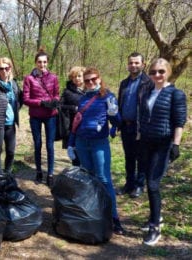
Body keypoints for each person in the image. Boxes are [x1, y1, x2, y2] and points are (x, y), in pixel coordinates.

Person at [68, 67, 125, 235]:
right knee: (90, 179)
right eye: (87, 80)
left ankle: (114, 218)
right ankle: (96, 214)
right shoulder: (83, 98)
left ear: (99, 79)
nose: (91, 82)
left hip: (99, 143)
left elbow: (117, 122)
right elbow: (76, 123)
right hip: (82, 143)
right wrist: (71, 144)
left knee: (104, 179)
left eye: (93, 79)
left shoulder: (108, 96)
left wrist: (114, 114)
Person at [138, 58, 186, 246]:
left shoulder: (176, 94)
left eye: (161, 71)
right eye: (153, 72)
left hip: (163, 144)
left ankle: (155, 227)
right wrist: (140, 135)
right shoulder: (148, 92)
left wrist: (176, 144)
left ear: (168, 72)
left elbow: (179, 121)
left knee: (153, 184)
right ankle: (155, 217)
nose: (156, 75)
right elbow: (143, 116)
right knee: (148, 181)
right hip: (147, 143)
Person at [116, 52, 154, 198]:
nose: (133, 65)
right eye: (131, 63)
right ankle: (129, 184)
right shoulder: (124, 83)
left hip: (141, 127)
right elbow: (120, 104)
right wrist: (117, 124)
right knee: (129, 157)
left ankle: (139, 186)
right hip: (126, 126)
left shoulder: (148, 83)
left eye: (137, 63)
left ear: (143, 64)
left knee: (141, 157)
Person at [23, 48, 60, 186]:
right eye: (39, 62)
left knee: (50, 145)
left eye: (44, 62)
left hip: (51, 115)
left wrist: (54, 101)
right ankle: (39, 171)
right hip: (36, 116)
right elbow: (26, 99)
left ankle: (50, 174)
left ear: (47, 63)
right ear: (35, 63)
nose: (42, 65)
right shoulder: (29, 79)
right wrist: (40, 103)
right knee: (38, 144)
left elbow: (57, 94)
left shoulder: (54, 77)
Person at [60, 66, 85, 166]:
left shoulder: (89, 91)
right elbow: (60, 106)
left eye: (79, 76)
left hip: (87, 127)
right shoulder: (67, 91)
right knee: (76, 156)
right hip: (73, 127)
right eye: (74, 77)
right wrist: (73, 108)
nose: (77, 78)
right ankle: (76, 178)